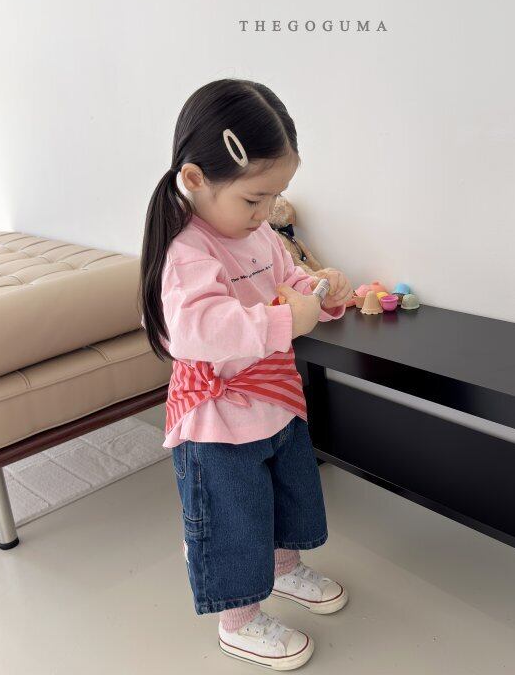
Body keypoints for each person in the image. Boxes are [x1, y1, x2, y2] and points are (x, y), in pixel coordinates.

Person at [139, 79, 352, 670]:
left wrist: (321, 290)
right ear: (194, 179)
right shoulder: (187, 252)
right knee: (234, 520)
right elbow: (198, 329)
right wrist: (287, 320)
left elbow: (288, 283)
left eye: (275, 197)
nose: (265, 214)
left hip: (273, 402)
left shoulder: (258, 234)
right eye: (254, 199)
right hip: (217, 421)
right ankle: (238, 620)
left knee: (285, 495)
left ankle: (283, 570)